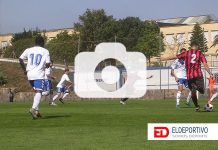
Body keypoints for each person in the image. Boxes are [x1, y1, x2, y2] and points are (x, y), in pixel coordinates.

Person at [162, 42, 213, 111]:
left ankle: (196, 105)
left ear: (191, 47)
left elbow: (175, 56)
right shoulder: (200, 54)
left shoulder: (186, 53)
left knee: (194, 91)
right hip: (198, 75)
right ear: (197, 46)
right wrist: (210, 73)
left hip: (189, 77)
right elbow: (205, 65)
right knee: (201, 91)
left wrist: (164, 58)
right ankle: (196, 102)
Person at [19, 35, 50, 119]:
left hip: (30, 74)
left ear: (35, 42)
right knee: (39, 92)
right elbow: (48, 64)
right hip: (38, 74)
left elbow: (20, 59)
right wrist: (46, 65)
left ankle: (36, 111)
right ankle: (33, 109)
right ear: (42, 43)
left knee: (37, 92)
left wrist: (24, 70)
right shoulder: (45, 51)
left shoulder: (28, 50)